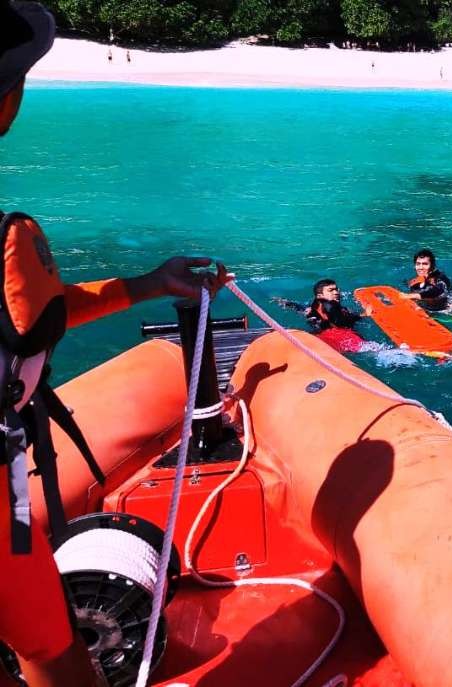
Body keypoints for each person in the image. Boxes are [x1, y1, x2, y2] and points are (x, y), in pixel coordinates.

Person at [0, 4, 230, 684]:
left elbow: (29, 314)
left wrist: (148, 282)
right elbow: (34, 319)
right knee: (52, 654)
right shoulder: (10, 244)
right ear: (7, 102)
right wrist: (156, 282)